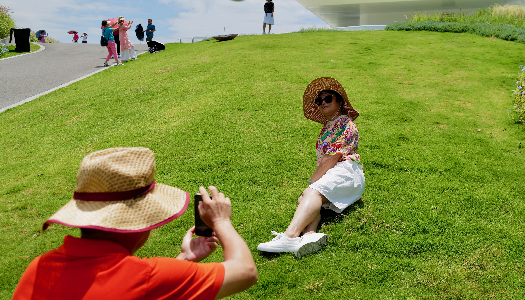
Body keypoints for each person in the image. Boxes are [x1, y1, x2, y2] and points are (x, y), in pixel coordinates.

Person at [12, 147, 258, 300]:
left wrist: (182, 261)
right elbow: (245, 272)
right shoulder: (148, 277)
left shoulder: (39, 269)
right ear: (139, 221)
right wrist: (221, 222)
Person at [257, 77, 365, 258]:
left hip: (347, 171)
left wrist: (313, 181)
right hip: (336, 172)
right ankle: (309, 235)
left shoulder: (345, 123)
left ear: (340, 101)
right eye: (319, 100)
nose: (323, 102)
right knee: (304, 197)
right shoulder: (326, 127)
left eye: (328, 98)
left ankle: (289, 236)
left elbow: (333, 158)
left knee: (311, 191)